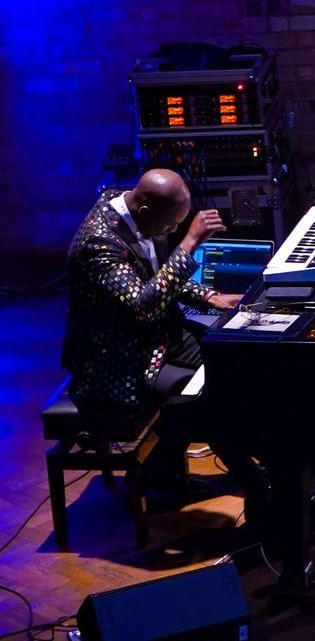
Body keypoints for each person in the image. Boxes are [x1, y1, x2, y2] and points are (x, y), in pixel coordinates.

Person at [63, 169, 269, 518]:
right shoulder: (98, 243)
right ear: (145, 211)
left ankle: (165, 468)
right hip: (115, 360)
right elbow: (143, 305)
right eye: (170, 225)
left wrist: (209, 296)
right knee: (206, 400)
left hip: (153, 338)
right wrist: (189, 243)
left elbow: (153, 272)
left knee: (229, 360)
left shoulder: (135, 212)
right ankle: (252, 486)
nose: (173, 231)